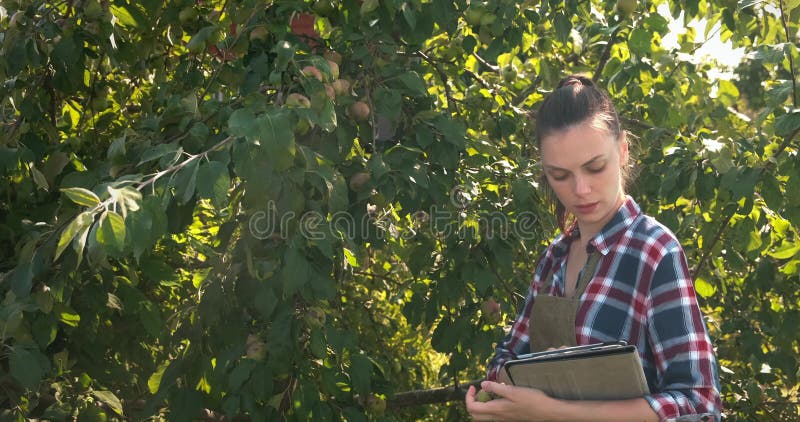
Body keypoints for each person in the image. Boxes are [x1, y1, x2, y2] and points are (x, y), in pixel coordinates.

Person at [465, 75, 721, 421]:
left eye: (595, 167)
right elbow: (506, 360)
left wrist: (555, 410)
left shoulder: (654, 251)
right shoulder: (552, 258)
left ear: (624, 150)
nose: (581, 189)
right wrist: (500, 394)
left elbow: (700, 404)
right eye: (560, 175)